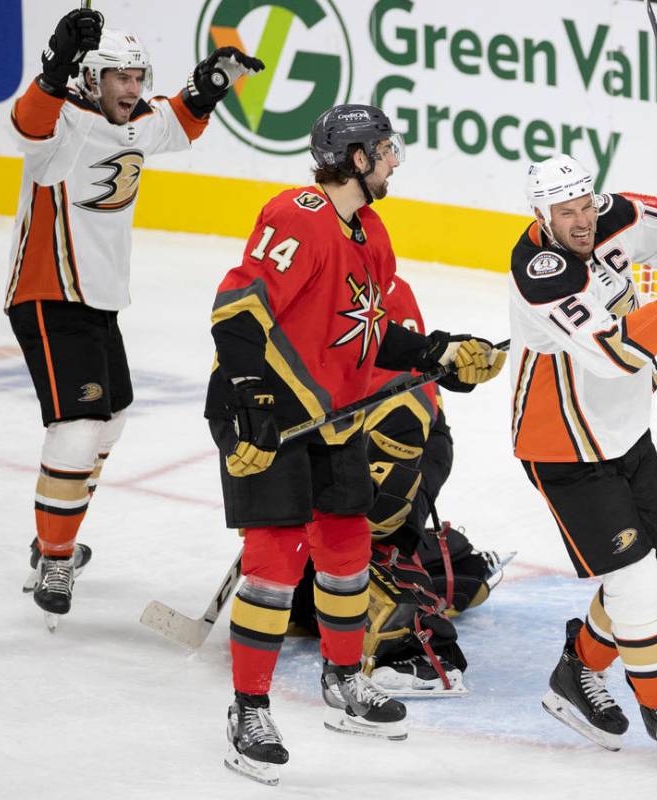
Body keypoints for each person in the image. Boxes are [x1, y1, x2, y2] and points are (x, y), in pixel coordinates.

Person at [205, 103, 505, 786]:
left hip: (330, 417)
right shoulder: (297, 215)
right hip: (267, 415)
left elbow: (368, 335)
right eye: (387, 149)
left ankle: (343, 682)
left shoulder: (371, 232)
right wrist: (252, 403)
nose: (396, 159)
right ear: (358, 158)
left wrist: (437, 353)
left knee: (344, 552)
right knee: (275, 563)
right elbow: (236, 311)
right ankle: (248, 709)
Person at [4, 7, 264, 628]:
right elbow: (24, 126)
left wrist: (208, 88)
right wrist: (54, 66)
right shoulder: (61, 119)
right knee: (78, 425)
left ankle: (52, 539)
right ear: (89, 79)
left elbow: (174, 124)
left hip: (101, 299)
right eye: (118, 77)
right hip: (48, 291)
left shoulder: (137, 118)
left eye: (137, 75)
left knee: (112, 418)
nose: (132, 88)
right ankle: (57, 558)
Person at [508, 135, 657, 768]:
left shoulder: (614, 216)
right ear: (540, 218)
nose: (581, 221)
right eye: (565, 213)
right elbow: (612, 354)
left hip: (627, 432)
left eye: (584, 205)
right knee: (636, 582)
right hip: (565, 449)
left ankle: (575, 670)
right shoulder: (540, 275)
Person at [286, 272, 513, 697]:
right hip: (356, 437)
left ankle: (423, 652)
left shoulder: (377, 289)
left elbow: (406, 402)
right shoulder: (305, 285)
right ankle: (453, 569)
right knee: (311, 576)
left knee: (372, 535)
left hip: (400, 440)